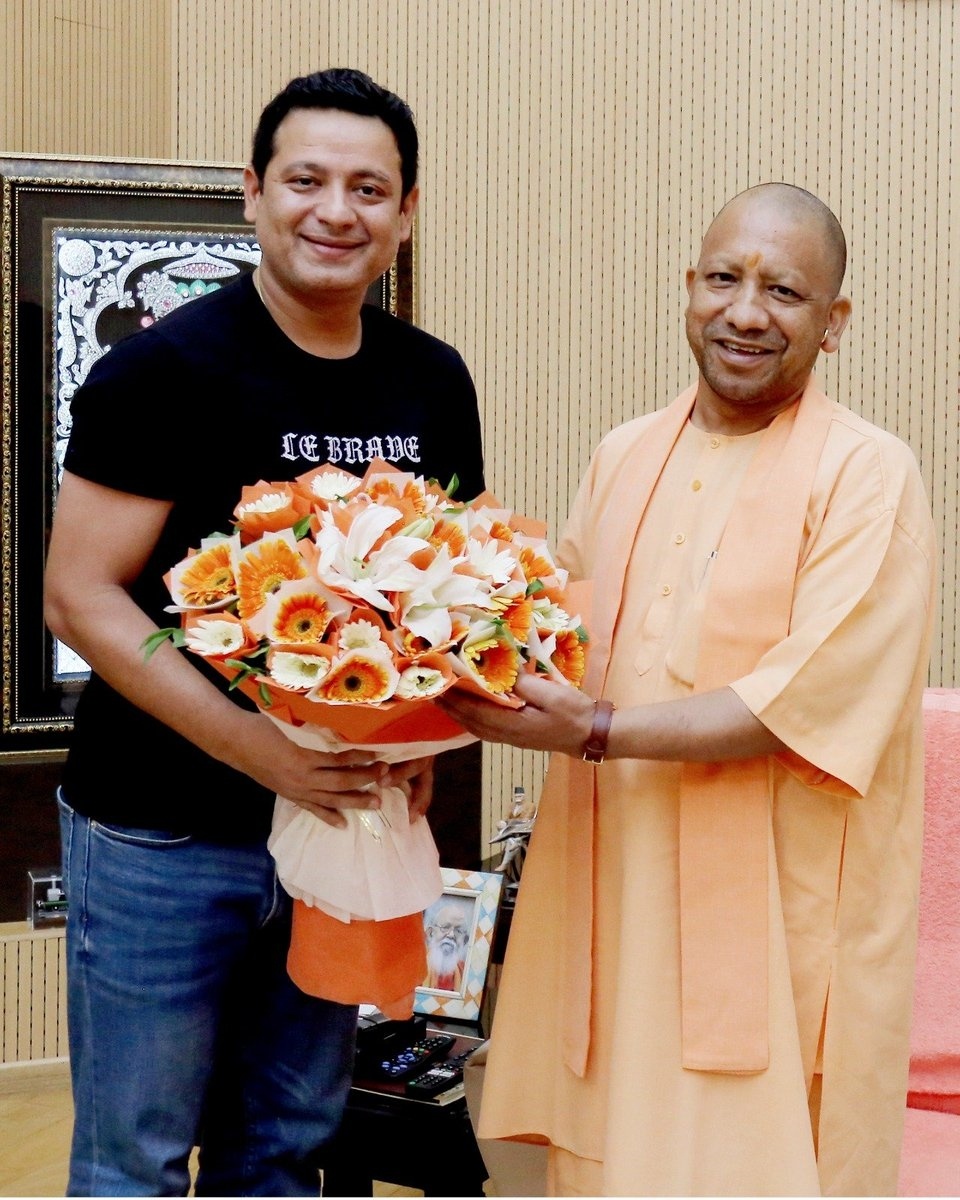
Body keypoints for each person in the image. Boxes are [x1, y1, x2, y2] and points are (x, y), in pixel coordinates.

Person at [438, 183, 936, 1196]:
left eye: (785, 291)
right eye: (725, 278)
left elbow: (801, 699)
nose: (747, 312)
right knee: (610, 1157)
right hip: (612, 893)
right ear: (688, 290)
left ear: (833, 323)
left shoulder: (870, 475)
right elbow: (558, 638)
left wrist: (598, 730)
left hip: (772, 918)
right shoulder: (624, 453)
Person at [43, 67, 485, 1197]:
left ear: (406, 209)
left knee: (286, 1149)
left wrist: (415, 744)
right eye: (306, 180)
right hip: (163, 839)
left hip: (341, 833)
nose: (336, 211)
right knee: (133, 1162)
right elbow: (81, 597)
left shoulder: (431, 384)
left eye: (369, 188)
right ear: (252, 192)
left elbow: (454, 601)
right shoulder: (162, 370)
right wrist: (264, 751)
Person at [422, 900, 471, 990]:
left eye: (458, 931)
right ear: (430, 933)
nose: (451, 935)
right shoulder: (416, 965)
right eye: (445, 927)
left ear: (465, 940)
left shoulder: (468, 973)